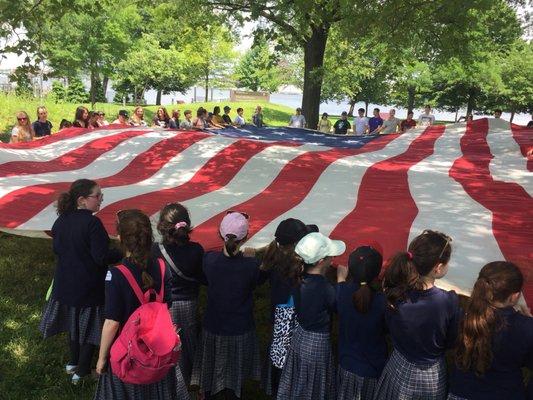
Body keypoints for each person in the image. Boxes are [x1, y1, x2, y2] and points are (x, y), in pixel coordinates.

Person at [94, 209, 190, 399]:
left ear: (120, 237)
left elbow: (112, 323)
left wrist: (101, 358)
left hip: (129, 356)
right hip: (158, 351)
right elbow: (166, 308)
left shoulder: (117, 274)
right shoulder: (162, 267)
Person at [39, 179, 121, 384]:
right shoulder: (92, 223)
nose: (101, 199)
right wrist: (120, 251)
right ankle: (82, 371)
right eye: (98, 195)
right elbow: (101, 257)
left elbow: (57, 249)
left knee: (74, 325)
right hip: (89, 287)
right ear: (82, 200)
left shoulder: (61, 220)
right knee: (91, 329)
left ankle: (72, 363)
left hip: (65, 283)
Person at [373, 230, 461, 400]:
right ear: (438, 268)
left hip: (397, 365)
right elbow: (452, 339)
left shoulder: (395, 291)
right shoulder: (448, 302)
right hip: (429, 377)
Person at [191, 211, 266, 399]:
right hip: (240, 329)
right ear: (246, 237)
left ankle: (208, 392)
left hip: (213, 327)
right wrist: (251, 260)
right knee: (234, 375)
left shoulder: (209, 260)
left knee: (212, 366)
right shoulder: (251, 266)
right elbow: (259, 278)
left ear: (220, 234)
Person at [448, 261, 533, 400]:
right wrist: (528, 320)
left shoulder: (463, 314)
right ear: (514, 296)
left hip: (460, 392)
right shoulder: (526, 327)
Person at [276, 232, 346, 400]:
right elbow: (339, 306)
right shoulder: (325, 287)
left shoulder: (297, 277)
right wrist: (341, 281)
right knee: (314, 381)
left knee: (300, 377)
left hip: (299, 335)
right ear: (322, 261)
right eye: (331, 256)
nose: (333, 259)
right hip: (317, 343)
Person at [259, 218, 318, 397]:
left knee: (280, 355)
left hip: (280, 316)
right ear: (295, 243)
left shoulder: (274, 257)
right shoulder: (295, 265)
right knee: (283, 359)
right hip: (288, 318)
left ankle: (279, 388)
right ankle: (282, 390)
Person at [153, 203, 206, 385]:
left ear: (162, 226)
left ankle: (171, 378)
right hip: (190, 303)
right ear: (187, 224)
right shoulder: (197, 250)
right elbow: (202, 277)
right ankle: (193, 378)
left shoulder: (155, 251)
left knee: (169, 341)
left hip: (166, 305)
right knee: (190, 340)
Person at [336, 246, 387, 400]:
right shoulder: (382, 302)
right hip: (372, 370)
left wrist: (340, 280)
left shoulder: (341, 292)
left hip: (345, 365)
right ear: (378, 273)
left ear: (349, 269)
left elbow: (341, 294)